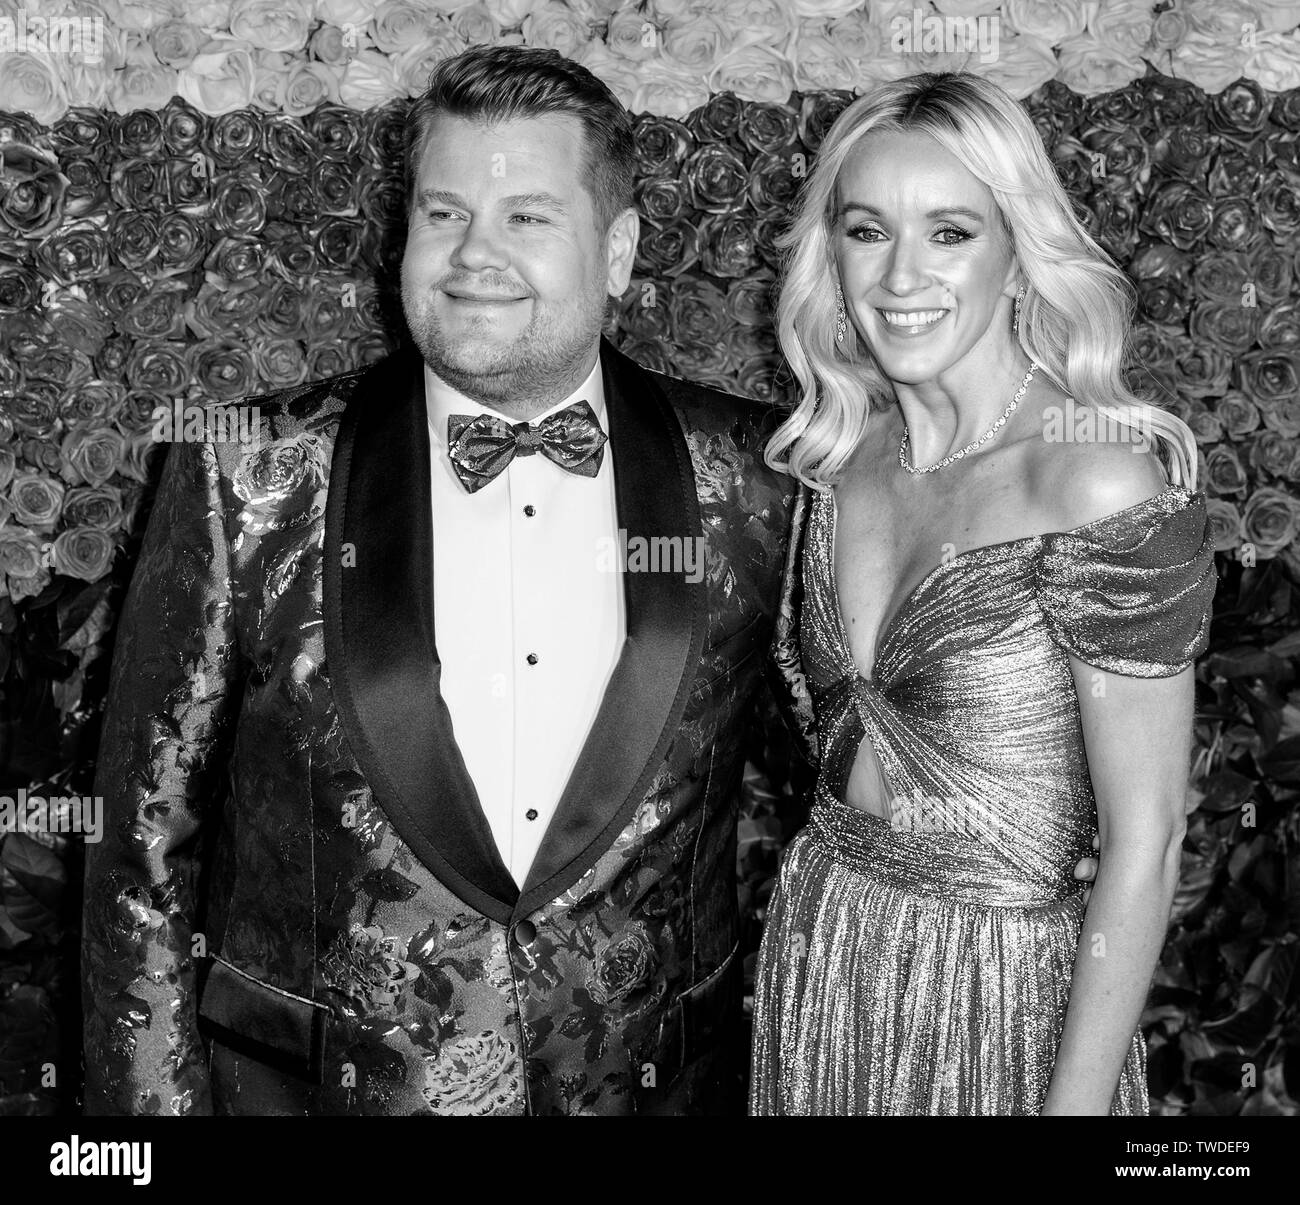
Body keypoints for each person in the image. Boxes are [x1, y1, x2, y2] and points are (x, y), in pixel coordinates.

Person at [81, 45, 804, 1117]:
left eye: (527, 217)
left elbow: (833, 802)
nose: (474, 255)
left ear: (617, 252)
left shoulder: (760, 478)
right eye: (444, 212)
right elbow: (140, 841)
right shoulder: (246, 468)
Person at [750, 72, 1218, 1116]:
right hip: (827, 948)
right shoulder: (842, 460)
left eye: (949, 232)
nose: (900, 275)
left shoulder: (1093, 476)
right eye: (867, 230)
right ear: (832, 256)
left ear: (1016, 256)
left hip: (1003, 996)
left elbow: (1147, 844)